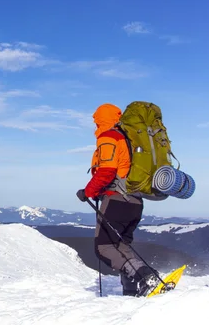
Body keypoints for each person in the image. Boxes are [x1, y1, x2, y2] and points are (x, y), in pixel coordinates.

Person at [76, 103, 159, 297]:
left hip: (117, 200)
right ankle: (130, 291)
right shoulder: (128, 138)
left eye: (96, 121)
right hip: (135, 202)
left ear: (100, 120)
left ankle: (147, 277)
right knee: (121, 247)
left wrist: (87, 192)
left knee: (104, 248)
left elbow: (106, 171)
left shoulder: (109, 137)